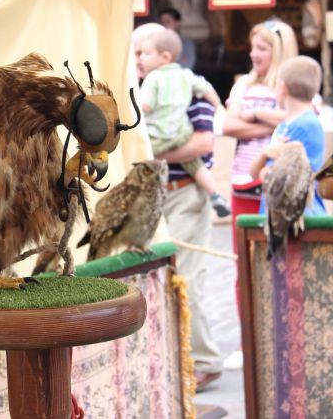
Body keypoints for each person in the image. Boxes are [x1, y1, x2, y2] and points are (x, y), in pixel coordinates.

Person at [133, 23, 224, 392]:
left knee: (186, 276)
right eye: (135, 52)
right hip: (154, 193)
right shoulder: (142, 91)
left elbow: (203, 142)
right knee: (156, 279)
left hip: (185, 192)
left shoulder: (189, 88)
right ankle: (174, 356)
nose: (138, 59)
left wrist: (152, 151)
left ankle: (204, 361)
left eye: (143, 52)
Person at [221, 18, 297, 370]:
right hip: (242, 184)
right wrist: (268, 118)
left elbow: (297, 119)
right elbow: (229, 125)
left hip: (278, 186)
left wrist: (251, 116)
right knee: (244, 264)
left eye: (262, 48)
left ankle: (284, 336)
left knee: (282, 262)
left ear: (278, 50)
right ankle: (247, 341)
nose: (254, 54)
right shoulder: (242, 86)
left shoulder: (292, 85)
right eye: (253, 47)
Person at [139, 29, 231, 217]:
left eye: (145, 54)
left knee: (140, 152)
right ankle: (215, 194)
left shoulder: (153, 78)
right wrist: (219, 106)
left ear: (165, 57)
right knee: (194, 163)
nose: (141, 59)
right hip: (181, 134)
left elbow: (144, 107)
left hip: (155, 135)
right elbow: (206, 89)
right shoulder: (187, 75)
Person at [249, 56, 326, 215]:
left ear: (282, 87)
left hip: (299, 214)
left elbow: (283, 179)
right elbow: (255, 173)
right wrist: (264, 153)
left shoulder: (307, 125)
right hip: (275, 210)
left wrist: (266, 171)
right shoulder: (284, 126)